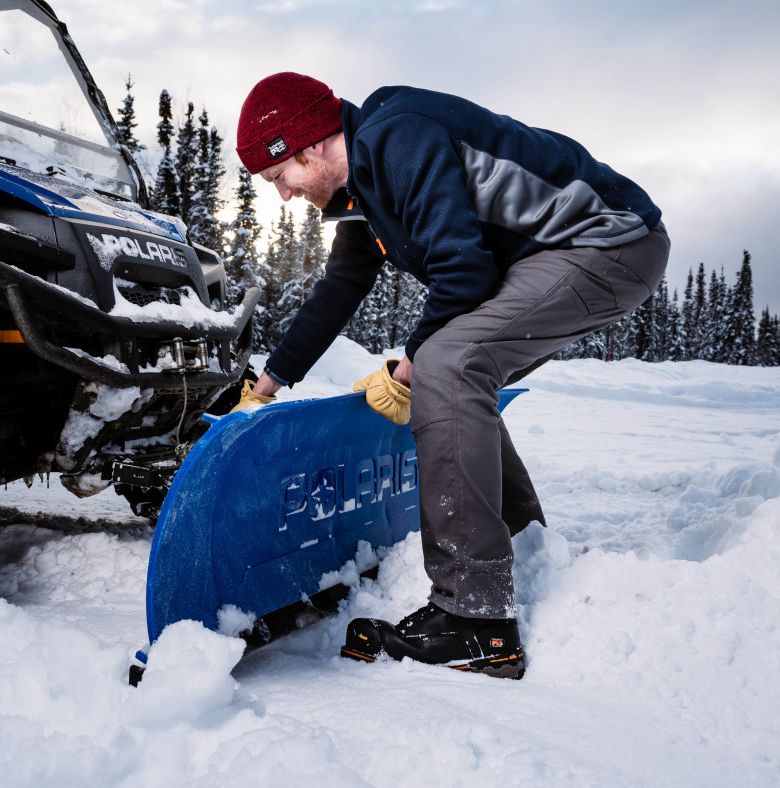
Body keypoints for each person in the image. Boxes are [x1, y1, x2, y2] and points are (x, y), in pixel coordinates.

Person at [232, 72, 670, 679]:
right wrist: (265, 387)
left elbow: (463, 273)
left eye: (280, 176)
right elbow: (338, 291)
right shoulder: (364, 191)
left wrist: (407, 370)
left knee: (446, 366)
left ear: (308, 146)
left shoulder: (397, 139)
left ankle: (475, 618)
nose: (284, 194)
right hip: (565, 252)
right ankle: (519, 542)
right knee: (456, 371)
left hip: (607, 240)